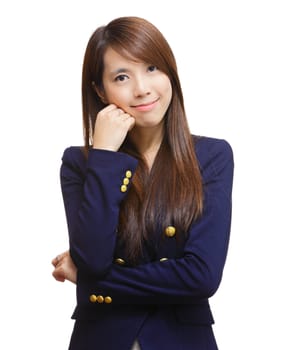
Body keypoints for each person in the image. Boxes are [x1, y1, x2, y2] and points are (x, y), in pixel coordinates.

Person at [51, 16, 234, 350]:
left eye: (152, 68)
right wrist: (105, 155)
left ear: (170, 72)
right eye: (122, 76)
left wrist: (94, 285)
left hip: (183, 340)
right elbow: (91, 258)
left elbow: (202, 276)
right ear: (99, 90)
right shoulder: (80, 163)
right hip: (101, 340)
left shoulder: (211, 156)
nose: (142, 88)